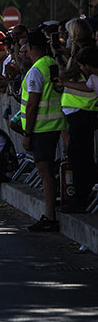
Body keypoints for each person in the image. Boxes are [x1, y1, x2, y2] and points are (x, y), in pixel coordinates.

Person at [20, 30, 68, 231]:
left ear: (30, 47)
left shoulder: (36, 70)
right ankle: (51, 212)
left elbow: (32, 104)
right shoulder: (51, 63)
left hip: (41, 128)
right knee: (48, 170)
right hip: (56, 125)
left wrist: (27, 133)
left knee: (44, 171)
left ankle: (50, 216)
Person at [58, 43, 98, 213]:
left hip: (85, 117)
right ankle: (84, 193)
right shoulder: (93, 78)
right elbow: (87, 87)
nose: (80, 68)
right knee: (77, 155)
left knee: (80, 157)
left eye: (82, 65)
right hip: (79, 119)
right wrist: (65, 82)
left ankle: (81, 197)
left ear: (88, 65)